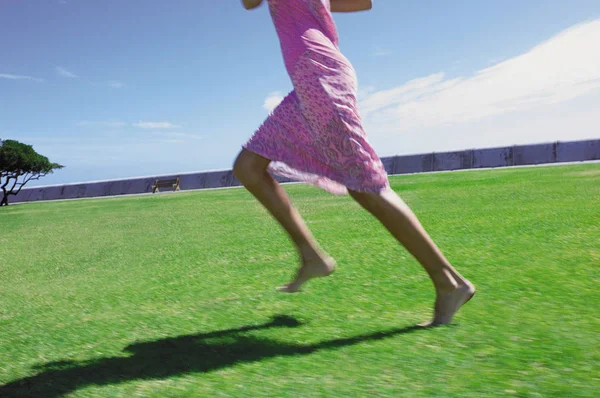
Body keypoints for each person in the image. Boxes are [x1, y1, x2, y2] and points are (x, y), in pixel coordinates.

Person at [233, 0, 475, 326]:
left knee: (367, 186)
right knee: (249, 167)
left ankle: (450, 282)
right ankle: (311, 256)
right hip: (312, 76)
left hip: (317, 73)